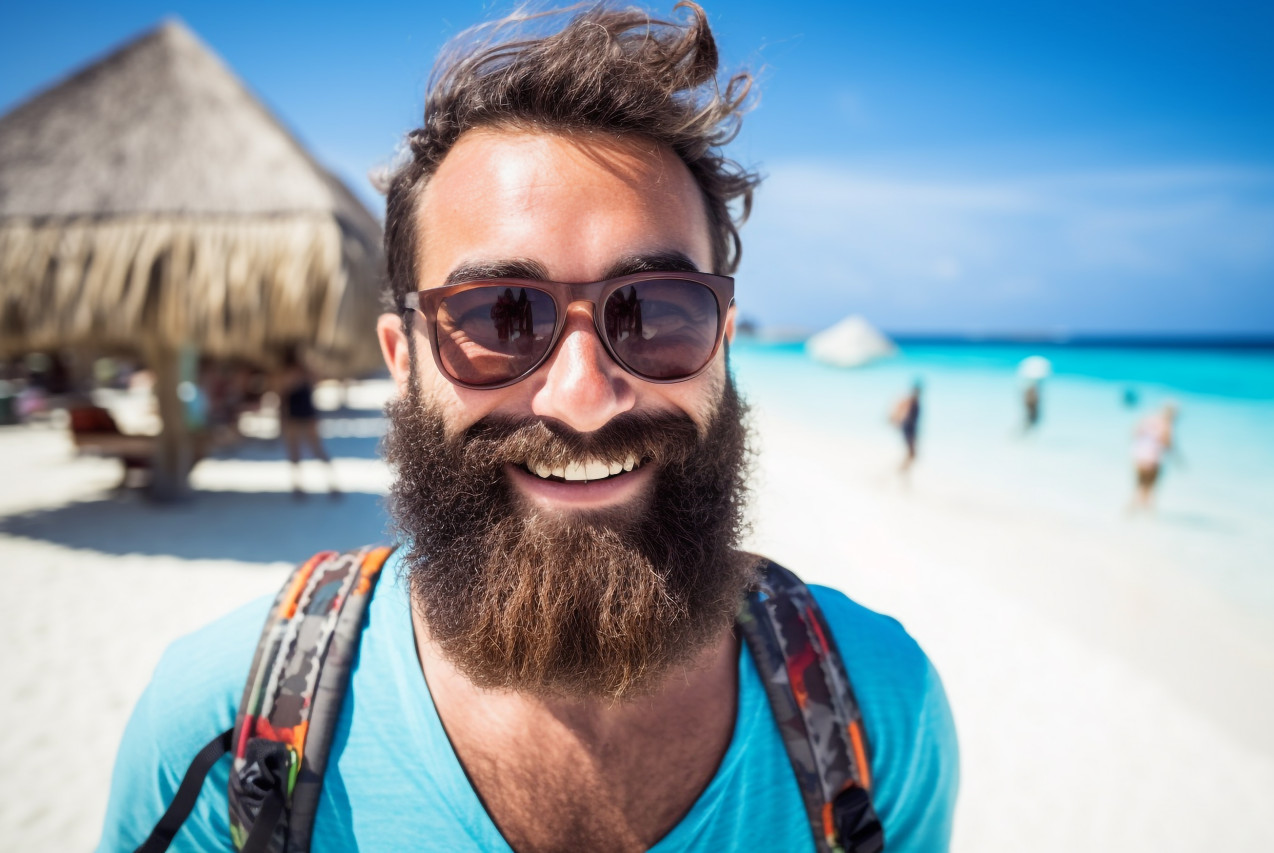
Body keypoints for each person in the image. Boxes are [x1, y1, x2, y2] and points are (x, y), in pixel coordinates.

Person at [97, 5, 958, 851]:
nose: (584, 397)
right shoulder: (223, 725)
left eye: (656, 312)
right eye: (501, 317)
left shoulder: (874, 716)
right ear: (403, 358)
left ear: (722, 345)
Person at [278, 351, 339, 499]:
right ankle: (301, 486)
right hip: (297, 418)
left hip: (303, 417)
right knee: (297, 453)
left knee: (314, 451)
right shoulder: (293, 376)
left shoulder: (303, 375)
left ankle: (331, 485)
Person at [1130, 402, 1180, 511]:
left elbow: (1134, 433)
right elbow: (1168, 444)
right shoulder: (1167, 425)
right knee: (1150, 489)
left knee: (1138, 486)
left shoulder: (1148, 419)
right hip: (1153, 460)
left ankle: (1131, 511)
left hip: (1139, 457)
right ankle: (1147, 517)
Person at [890, 381, 923, 473]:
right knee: (912, 454)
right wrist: (896, 420)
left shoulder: (915, 401)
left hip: (911, 430)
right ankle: (899, 471)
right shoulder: (910, 400)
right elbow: (900, 410)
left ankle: (901, 470)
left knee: (912, 454)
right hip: (908, 429)